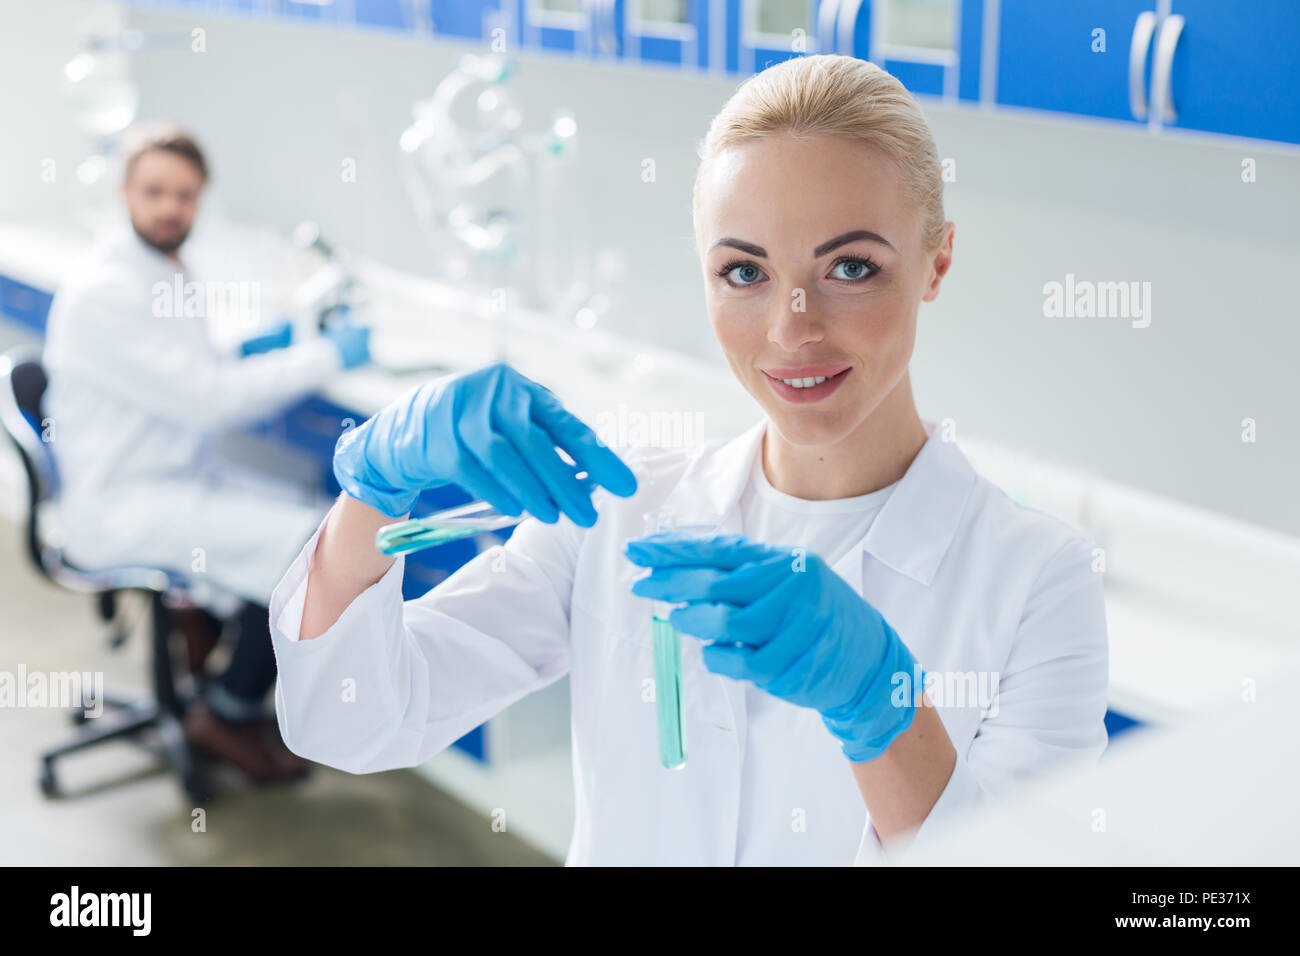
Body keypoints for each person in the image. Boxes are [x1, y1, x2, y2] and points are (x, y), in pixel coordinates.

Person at [268, 56, 1108, 864]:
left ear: (937, 260)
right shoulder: (622, 513)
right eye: (745, 271)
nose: (792, 328)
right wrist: (372, 491)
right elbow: (351, 720)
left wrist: (881, 703)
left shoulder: (1039, 580)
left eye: (851, 266)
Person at [43, 123, 371, 782]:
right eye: (156, 191)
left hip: (167, 478)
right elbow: (209, 400)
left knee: (304, 512)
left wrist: (252, 349)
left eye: (185, 195)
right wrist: (325, 355)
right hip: (124, 503)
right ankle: (227, 710)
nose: (170, 208)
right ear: (125, 193)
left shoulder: (162, 268)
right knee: (312, 542)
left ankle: (214, 668)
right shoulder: (107, 290)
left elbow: (183, 370)